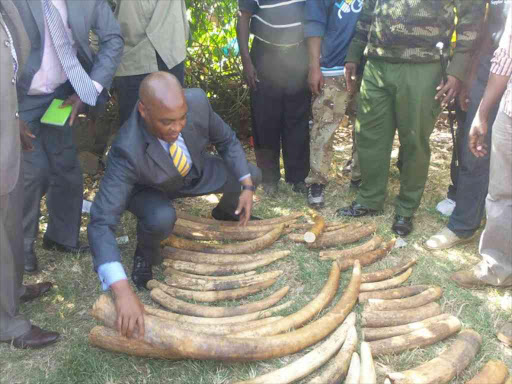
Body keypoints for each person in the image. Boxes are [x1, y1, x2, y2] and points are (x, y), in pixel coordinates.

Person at [88, 72, 261, 338]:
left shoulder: (198, 103)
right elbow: (101, 221)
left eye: (182, 118)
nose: (177, 127)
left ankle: (226, 212)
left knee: (249, 173)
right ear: (144, 111)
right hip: (150, 187)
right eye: (167, 122)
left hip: (193, 172)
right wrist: (120, 290)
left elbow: (226, 140)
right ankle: (144, 257)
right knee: (161, 218)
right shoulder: (126, 149)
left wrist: (247, 186)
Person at [336, 0, 483, 237]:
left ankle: (406, 208)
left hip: (424, 66)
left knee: (414, 139)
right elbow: (368, 12)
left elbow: (471, 19)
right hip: (377, 63)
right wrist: (354, 53)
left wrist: (457, 70)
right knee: (369, 135)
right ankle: (369, 199)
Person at [14, 0, 124, 273]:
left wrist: (89, 89)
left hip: (61, 94)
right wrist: (9, 116)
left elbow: (113, 39)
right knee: (32, 173)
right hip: (18, 98)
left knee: (66, 167)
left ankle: (61, 238)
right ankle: (21, 248)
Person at [426, 0, 512, 249]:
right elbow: (489, 31)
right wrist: (471, 76)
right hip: (493, 65)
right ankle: (463, 225)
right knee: (475, 147)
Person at [0, 0, 58, 349]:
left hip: (8, 134)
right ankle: (7, 322)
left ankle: (13, 291)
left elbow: (13, 63)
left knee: (11, 221)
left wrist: (14, 118)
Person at [451, 7, 512, 290]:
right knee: (500, 192)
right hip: (509, 108)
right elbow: (503, 54)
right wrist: (483, 113)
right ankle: (496, 266)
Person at [237, 0, 310, 196]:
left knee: (298, 119)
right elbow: (243, 18)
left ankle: (297, 178)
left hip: (298, 54)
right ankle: (269, 178)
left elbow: (315, 17)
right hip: (265, 55)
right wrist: (247, 61)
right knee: (265, 119)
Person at [304, 0, 363, 208]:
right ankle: (317, 181)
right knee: (324, 128)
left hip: (368, 70)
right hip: (333, 69)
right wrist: (314, 67)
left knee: (365, 127)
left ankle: (358, 176)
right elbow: (313, 25)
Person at [113, 0, 189, 126]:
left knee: (173, 124)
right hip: (132, 59)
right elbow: (97, 12)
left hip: (170, 51)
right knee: (133, 128)